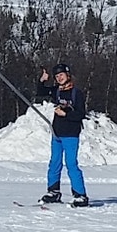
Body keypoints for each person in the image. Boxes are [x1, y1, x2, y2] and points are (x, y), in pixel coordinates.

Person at [37, 62, 89, 207]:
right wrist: (42, 80)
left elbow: (80, 114)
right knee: (54, 163)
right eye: (57, 76)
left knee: (71, 164)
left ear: (68, 75)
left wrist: (65, 113)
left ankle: (80, 195)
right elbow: (40, 93)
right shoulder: (57, 91)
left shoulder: (76, 93)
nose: (59, 78)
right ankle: (53, 191)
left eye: (61, 75)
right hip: (57, 134)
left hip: (71, 134)